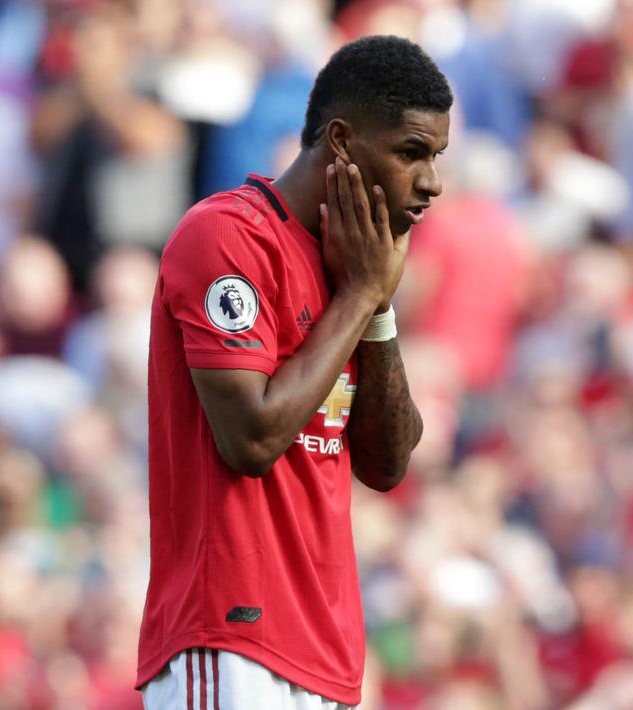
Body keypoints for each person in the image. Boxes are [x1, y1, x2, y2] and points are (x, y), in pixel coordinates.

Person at [135, 35, 451, 709]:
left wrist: (375, 309)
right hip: (228, 640)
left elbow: (386, 464)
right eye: (411, 152)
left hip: (326, 654)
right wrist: (361, 295)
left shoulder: (354, 271)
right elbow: (249, 440)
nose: (431, 181)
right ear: (340, 141)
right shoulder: (226, 237)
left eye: (436, 157)